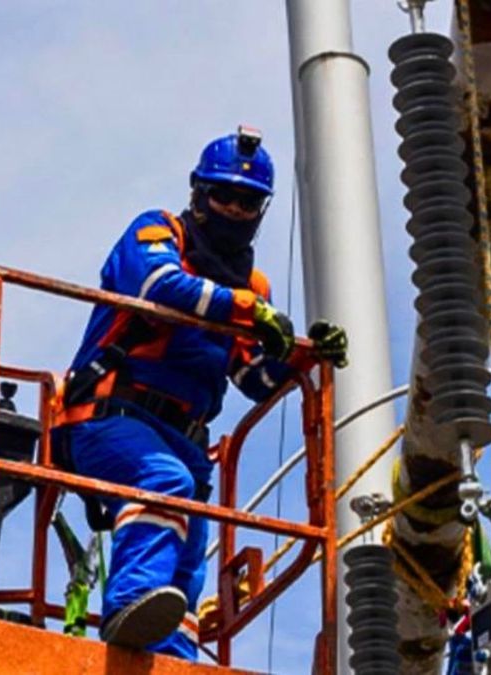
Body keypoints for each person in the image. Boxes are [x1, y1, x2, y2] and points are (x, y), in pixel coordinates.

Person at [55, 127, 348, 660]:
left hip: (186, 439)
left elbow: (252, 379)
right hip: (108, 416)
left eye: (248, 201)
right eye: (224, 196)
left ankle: (173, 651)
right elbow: (156, 285)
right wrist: (250, 312)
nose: (235, 209)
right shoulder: (158, 233)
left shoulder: (251, 287)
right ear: (198, 193)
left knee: (189, 547)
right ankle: (130, 605)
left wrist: (303, 355)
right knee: (163, 483)